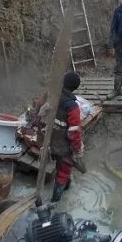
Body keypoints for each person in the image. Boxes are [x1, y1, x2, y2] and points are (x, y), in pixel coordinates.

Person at [50, 71, 86, 203]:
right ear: (75, 88)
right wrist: (78, 149)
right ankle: (54, 203)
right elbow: (74, 133)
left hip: (51, 140)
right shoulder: (72, 107)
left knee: (63, 168)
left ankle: (66, 187)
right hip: (64, 146)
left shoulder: (53, 96)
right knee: (63, 172)